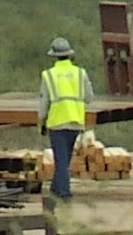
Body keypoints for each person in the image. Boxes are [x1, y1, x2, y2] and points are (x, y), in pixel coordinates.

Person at [37, 35, 94, 202]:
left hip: (57, 123)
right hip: (76, 122)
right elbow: (89, 98)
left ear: (53, 56)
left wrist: (41, 122)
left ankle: (64, 193)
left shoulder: (49, 75)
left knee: (61, 159)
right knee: (64, 158)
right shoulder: (80, 73)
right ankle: (56, 188)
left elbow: (43, 102)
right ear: (70, 54)